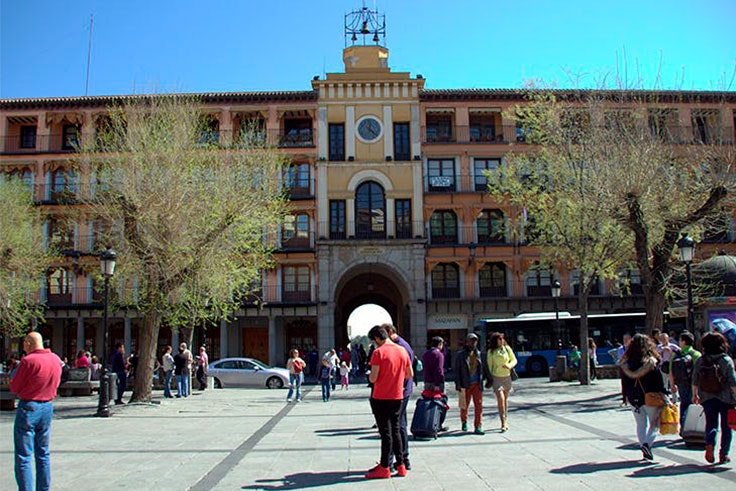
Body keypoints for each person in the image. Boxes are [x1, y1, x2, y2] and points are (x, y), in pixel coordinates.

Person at [10, 332, 62, 491]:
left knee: (24, 455)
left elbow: (14, 387)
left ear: (28, 344)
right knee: (43, 453)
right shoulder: (55, 359)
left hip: (29, 406)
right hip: (47, 406)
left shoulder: (28, 361)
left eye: (25, 343)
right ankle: (43, 488)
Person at [365, 324, 413, 479]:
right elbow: (409, 374)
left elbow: (373, 377)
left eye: (374, 341)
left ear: (378, 338)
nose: (374, 343)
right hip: (398, 396)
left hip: (381, 396)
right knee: (396, 430)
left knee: (385, 433)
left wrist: (371, 375)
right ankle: (401, 465)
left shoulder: (378, 353)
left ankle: (385, 467)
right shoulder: (402, 350)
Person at [619, 333, 667, 461]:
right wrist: (664, 393)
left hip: (633, 398)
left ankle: (643, 446)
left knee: (640, 424)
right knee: (654, 424)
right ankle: (647, 444)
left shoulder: (626, 364)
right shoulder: (651, 362)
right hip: (650, 396)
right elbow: (659, 380)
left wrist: (625, 396)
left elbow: (624, 382)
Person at [692, 331, 736, 465]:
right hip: (726, 398)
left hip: (707, 396)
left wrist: (695, 394)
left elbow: (695, 379)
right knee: (726, 426)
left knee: (711, 424)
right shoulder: (726, 360)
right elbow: (733, 382)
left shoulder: (701, 360)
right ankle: (724, 454)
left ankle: (709, 443)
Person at [385, 323, 415, 470]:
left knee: (393, 426)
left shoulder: (400, 347)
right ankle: (403, 459)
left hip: (399, 391)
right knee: (400, 424)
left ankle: (393, 461)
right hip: (403, 390)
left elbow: (407, 370)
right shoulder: (402, 345)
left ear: (390, 332)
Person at [454, 332, 490, 435]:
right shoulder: (461, 355)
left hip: (477, 384)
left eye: (475, 341)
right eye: (471, 340)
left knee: (478, 406)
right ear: (467, 342)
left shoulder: (480, 354)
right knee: (464, 405)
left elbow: (485, 369)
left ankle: (478, 426)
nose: (473, 343)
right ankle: (464, 421)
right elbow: (457, 371)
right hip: (465, 384)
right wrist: (458, 384)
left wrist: (489, 379)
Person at [486, 332, 518, 432]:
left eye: (502, 339)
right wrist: (490, 378)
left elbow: (514, 360)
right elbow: (489, 366)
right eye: (499, 339)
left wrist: (509, 365)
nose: (501, 341)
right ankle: (503, 422)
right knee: (501, 399)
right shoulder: (491, 352)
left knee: (505, 400)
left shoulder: (507, 349)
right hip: (497, 378)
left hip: (507, 377)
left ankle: (505, 419)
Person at [668, 331, 700, 430]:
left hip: (681, 383)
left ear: (683, 342)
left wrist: (672, 385)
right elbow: (699, 372)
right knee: (693, 406)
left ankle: (683, 426)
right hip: (693, 383)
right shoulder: (696, 354)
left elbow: (671, 371)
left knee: (684, 404)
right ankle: (692, 427)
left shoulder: (676, 355)